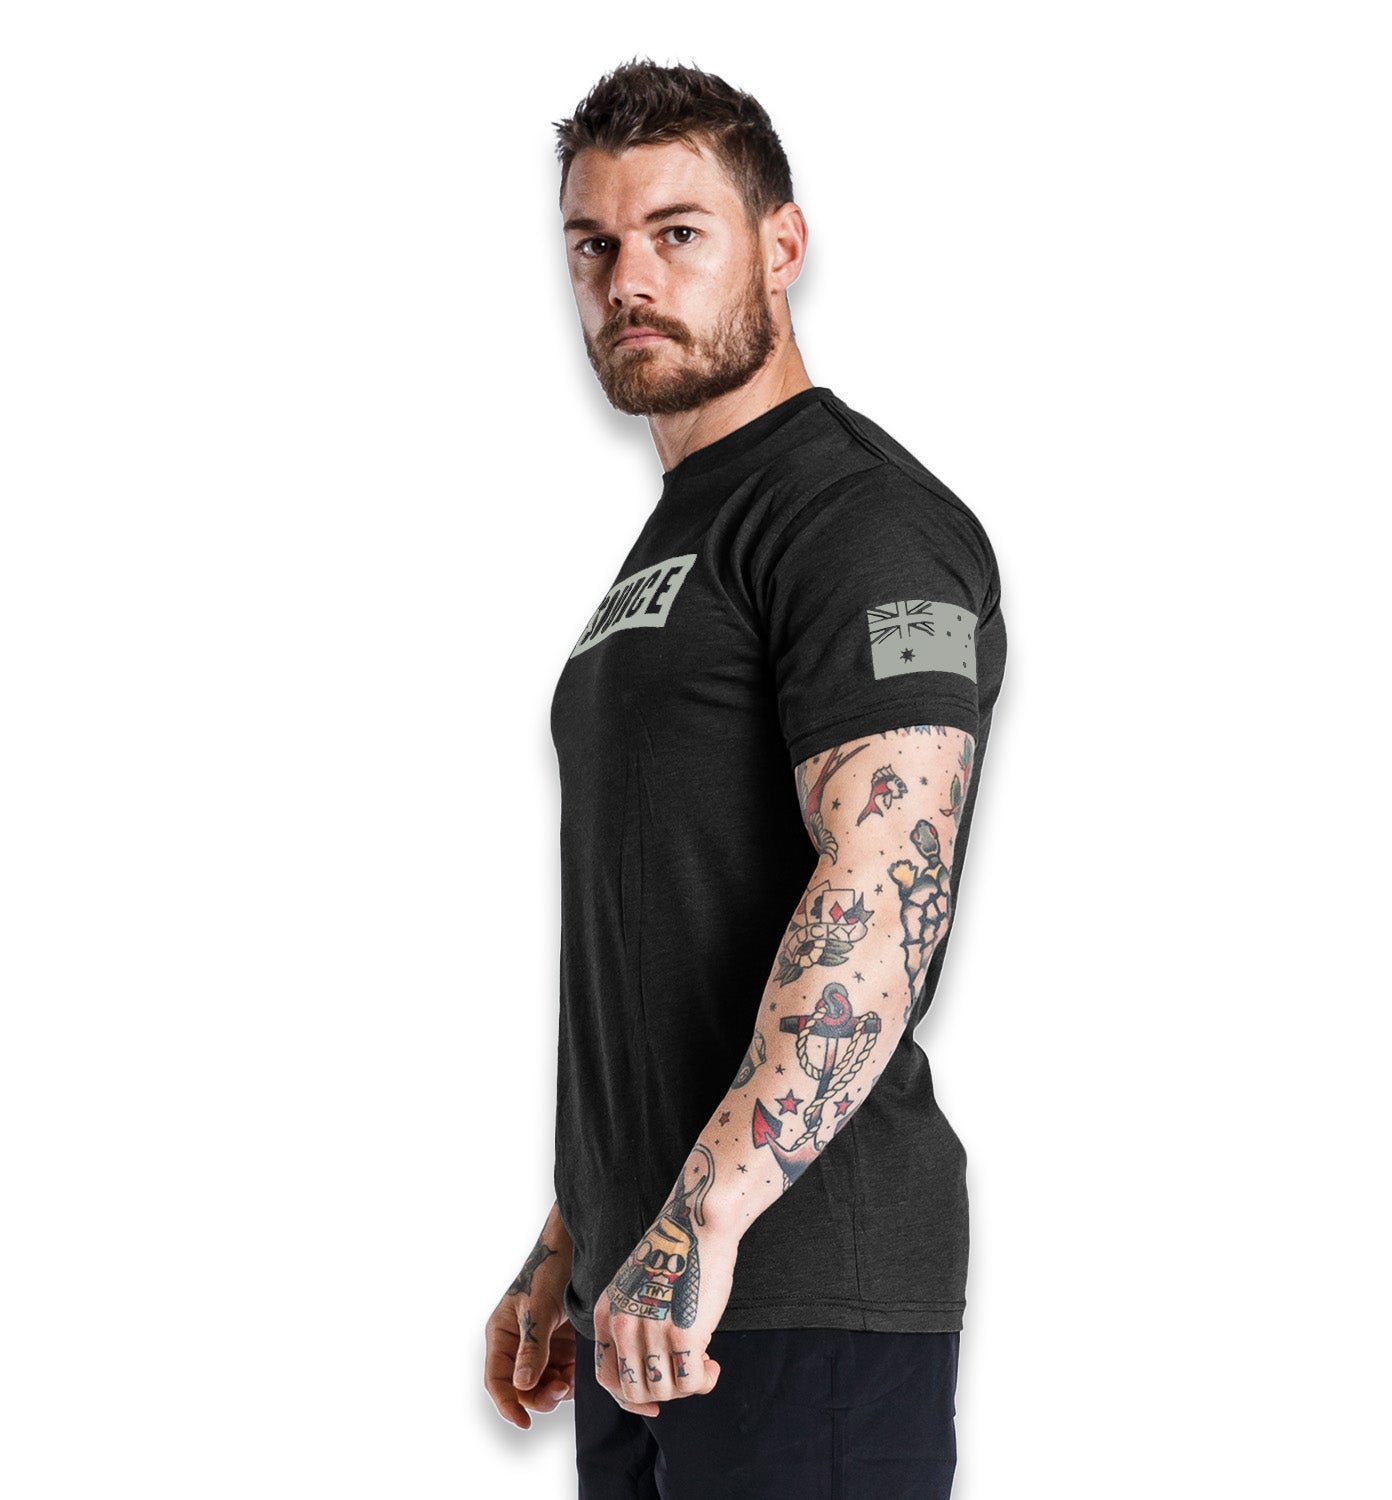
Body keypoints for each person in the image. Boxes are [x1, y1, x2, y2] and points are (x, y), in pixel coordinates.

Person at [484, 60, 1008, 1500]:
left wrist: (705, 1220)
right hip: (648, 1291)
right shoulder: (683, 532)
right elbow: (663, 920)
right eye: (594, 244)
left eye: (677, 232)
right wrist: (573, 1238)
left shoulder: (857, 517)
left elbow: (882, 888)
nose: (629, 280)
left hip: (797, 1287)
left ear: (782, 244)